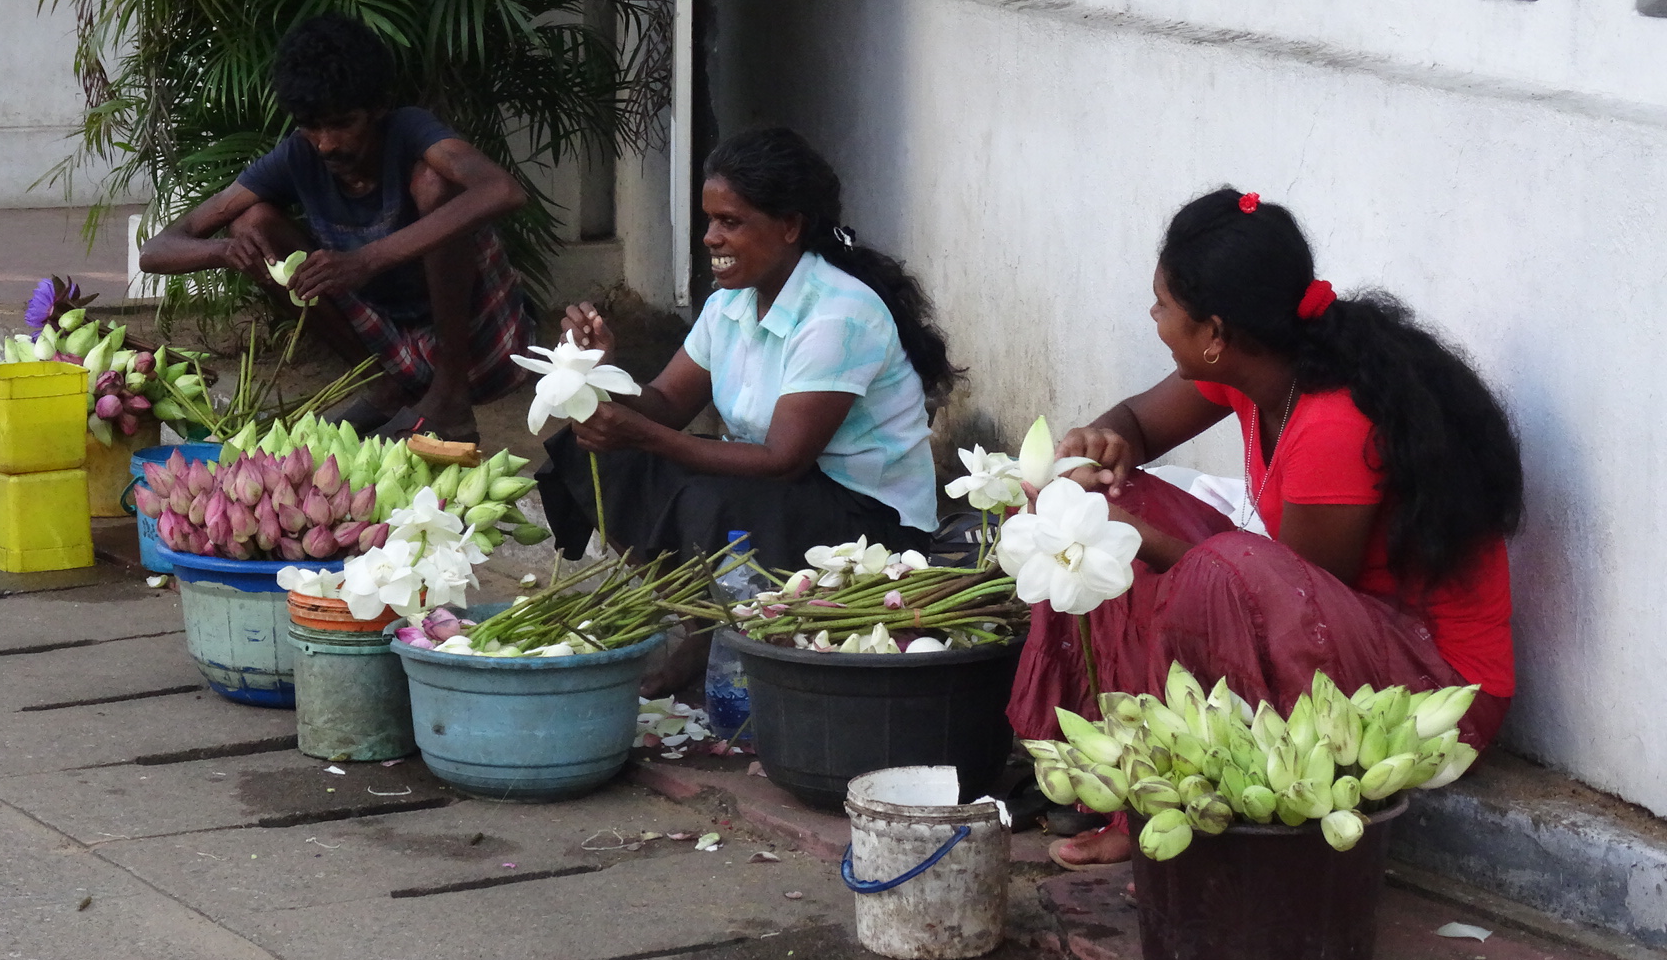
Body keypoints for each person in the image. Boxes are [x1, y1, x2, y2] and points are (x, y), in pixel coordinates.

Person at [1014, 188, 1523, 868]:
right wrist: (1098, 444)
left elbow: (1284, 596)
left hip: (1434, 689)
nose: (1154, 317)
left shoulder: (1332, 423)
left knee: (1185, 557)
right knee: (1087, 500)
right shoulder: (1257, 363)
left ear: (1215, 334)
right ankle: (1125, 785)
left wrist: (1135, 534)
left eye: (1163, 304)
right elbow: (1135, 423)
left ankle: (1175, 805)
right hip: (1332, 628)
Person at [536, 126, 956, 693]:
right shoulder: (729, 304)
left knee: (701, 495)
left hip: (869, 524)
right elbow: (666, 405)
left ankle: (725, 631)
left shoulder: (838, 314)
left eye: (730, 221)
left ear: (790, 226)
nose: (711, 238)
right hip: (786, 492)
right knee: (589, 451)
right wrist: (597, 371)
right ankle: (701, 622)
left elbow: (783, 459)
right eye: (709, 220)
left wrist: (643, 435)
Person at [137, 14, 531, 443]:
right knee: (252, 223)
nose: (326, 143)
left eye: (343, 124)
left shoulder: (410, 129)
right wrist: (223, 252)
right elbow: (156, 250)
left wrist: (367, 260)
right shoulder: (297, 156)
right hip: (393, 346)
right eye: (311, 126)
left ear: (377, 109)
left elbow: (502, 190)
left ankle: (449, 399)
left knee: (435, 182)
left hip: (485, 341)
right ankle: (384, 386)